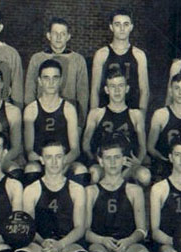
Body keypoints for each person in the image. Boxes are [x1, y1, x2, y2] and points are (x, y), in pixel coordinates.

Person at [23, 59, 88, 187]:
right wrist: (48, 164)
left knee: (81, 170)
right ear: (40, 81)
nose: (51, 82)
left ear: (61, 81)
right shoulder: (31, 109)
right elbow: (29, 151)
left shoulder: (69, 109)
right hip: (41, 162)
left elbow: (75, 150)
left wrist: (59, 163)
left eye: (55, 78)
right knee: (31, 169)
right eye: (46, 78)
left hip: (64, 161)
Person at [83, 68, 150, 186]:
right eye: (113, 87)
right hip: (104, 163)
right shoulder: (96, 113)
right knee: (94, 173)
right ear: (107, 90)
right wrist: (96, 160)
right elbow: (86, 144)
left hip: (126, 165)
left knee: (145, 176)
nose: (117, 90)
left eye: (120, 86)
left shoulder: (136, 114)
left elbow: (142, 146)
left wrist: (138, 161)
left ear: (127, 88)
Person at [24, 17, 89, 131]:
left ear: (68, 36)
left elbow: (82, 95)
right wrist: (30, 120)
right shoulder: (37, 59)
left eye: (62, 34)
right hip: (41, 116)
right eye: (55, 33)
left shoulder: (78, 60)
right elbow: (30, 92)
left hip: (68, 118)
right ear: (48, 35)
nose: (59, 37)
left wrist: (79, 124)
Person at [90, 8, 149, 115]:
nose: (122, 28)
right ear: (111, 27)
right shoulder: (101, 54)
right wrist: (94, 116)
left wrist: (142, 116)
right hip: (106, 111)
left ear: (131, 27)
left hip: (132, 111)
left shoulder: (139, 55)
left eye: (126, 24)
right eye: (117, 24)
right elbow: (95, 89)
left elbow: (144, 90)